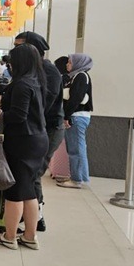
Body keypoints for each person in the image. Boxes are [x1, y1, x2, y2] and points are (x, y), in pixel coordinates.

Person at [0, 44, 48, 251]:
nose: (10, 65)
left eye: (12, 62)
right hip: (37, 140)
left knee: (14, 190)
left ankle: (9, 236)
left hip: (23, 142)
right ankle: (30, 236)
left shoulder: (22, 84)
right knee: (29, 190)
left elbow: (18, 116)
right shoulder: (37, 82)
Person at [13, 31, 65, 232]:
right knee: (28, 174)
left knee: (32, 174)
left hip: (47, 130)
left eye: (19, 46)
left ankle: (35, 220)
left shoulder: (49, 71)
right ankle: (30, 218)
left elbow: (41, 106)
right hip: (34, 129)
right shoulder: (31, 71)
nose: (15, 51)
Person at [58, 54, 93, 189]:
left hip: (77, 116)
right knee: (73, 148)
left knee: (76, 149)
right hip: (75, 115)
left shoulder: (81, 76)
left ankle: (77, 179)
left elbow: (76, 98)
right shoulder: (75, 76)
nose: (67, 64)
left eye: (70, 62)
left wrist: (67, 116)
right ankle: (75, 176)